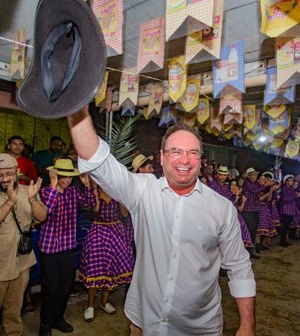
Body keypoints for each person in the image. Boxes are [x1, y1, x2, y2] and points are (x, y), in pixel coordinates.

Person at [67, 107, 256, 336]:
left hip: (199, 328)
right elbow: (97, 161)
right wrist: (75, 109)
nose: (184, 159)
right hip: (146, 321)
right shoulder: (142, 191)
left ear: (201, 159)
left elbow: (239, 266)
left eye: (192, 152)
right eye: (175, 151)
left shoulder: (222, 208)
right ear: (162, 156)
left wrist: (247, 323)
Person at [38, 158, 96, 336]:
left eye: (69, 177)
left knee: (65, 287)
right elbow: (46, 210)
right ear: (55, 175)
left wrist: (88, 187)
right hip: (50, 250)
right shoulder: (46, 192)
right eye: (63, 176)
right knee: (51, 288)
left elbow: (89, 205)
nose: (67, 180)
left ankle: (58, 319)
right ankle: (45, 324)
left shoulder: (73, 192)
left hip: (68, 248)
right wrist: (55, 186)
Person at [0, 153, 47, 336]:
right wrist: (10, 201)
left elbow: (41, 217)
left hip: (21, 263)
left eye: (9, 174)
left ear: (17, 172)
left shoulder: (27, 190)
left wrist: (33, 199)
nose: (4, 179)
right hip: (1, 263)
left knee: (14, 310)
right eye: (0, 175)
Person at [80, 186, 134, 322]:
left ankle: (104, 302)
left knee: (112, 270)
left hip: (116, 230)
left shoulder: (116, 192)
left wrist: (121, 196)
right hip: (99, 230)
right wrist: (93, 193)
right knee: (94, 270)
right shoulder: (95, 192)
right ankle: (90, 305)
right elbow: (95, 210)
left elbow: (125, 214)